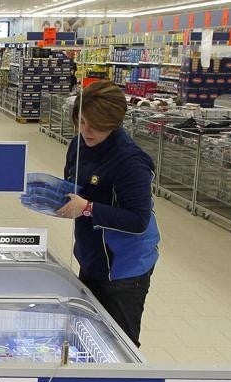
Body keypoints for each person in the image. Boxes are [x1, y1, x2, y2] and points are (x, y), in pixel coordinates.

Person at [54, 80, 159, 348]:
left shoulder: (131, 162)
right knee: (87, 331)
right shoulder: (79, 144)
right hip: (92, 257)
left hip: (124, 268)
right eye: (81, 122)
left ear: (113, 121)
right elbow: (77, 185)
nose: (86, 131)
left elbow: (138, 220)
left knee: (119, 344)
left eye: (94, 125)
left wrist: (87, 208)